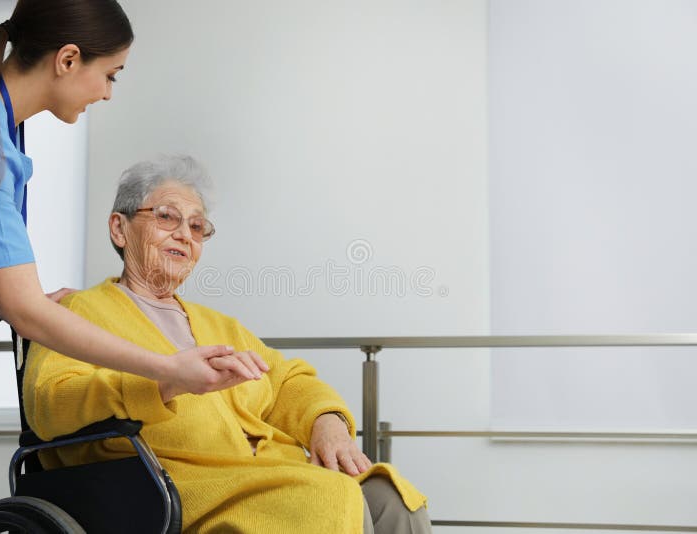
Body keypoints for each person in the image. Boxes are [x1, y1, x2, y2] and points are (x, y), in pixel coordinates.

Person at [0, 3, 264, 530]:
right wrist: (167, 368)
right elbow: (28, 314)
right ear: (68, 59)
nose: (108, 92)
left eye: (196, 225)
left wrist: (14, 298)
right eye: (109, 75)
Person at [24, 156, 432, 533]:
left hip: (261, 472)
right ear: (119, 228)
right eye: (167, 217)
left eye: (197, 226)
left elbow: (287, 381)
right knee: (328, 496)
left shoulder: (219, 325)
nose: (184, 235)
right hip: (168, 482)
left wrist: (327, 424)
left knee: (393, 500)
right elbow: (48, 401)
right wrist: (163, 384)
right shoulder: (79, 312)